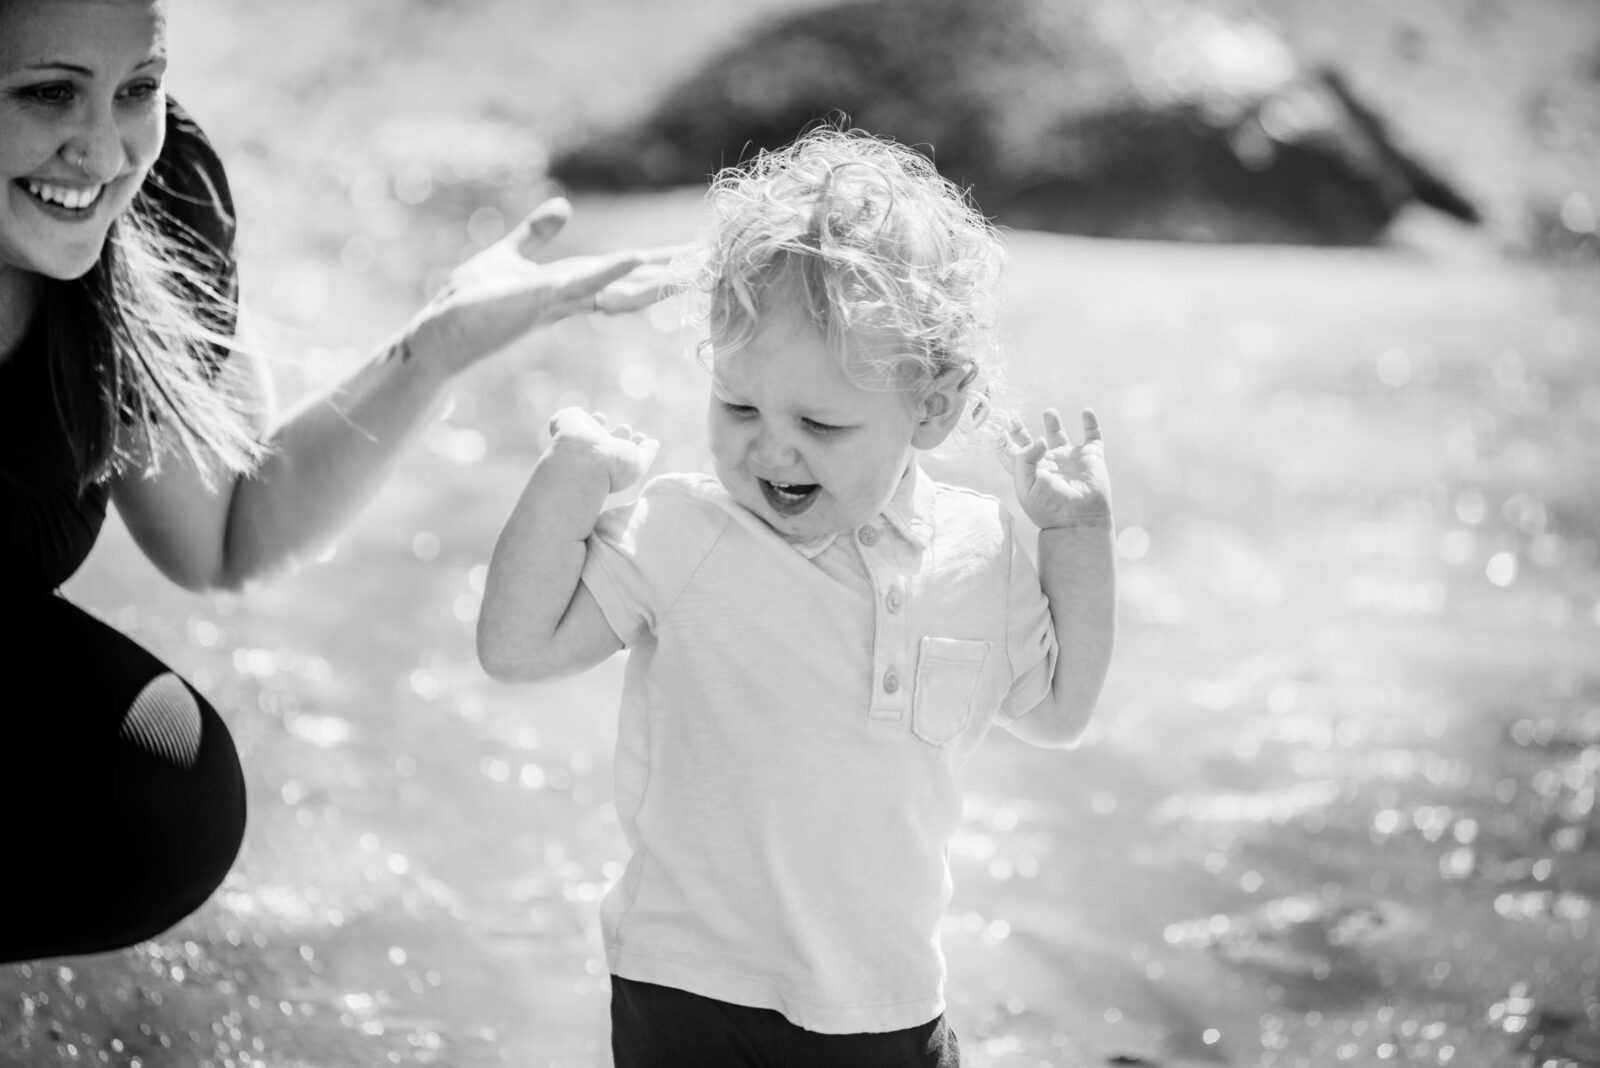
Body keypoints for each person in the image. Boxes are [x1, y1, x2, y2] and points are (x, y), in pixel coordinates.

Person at [0, 0, 671, 963]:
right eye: (48, 93)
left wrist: (434, 349)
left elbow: (227, 535)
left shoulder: (149, 214)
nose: (105, 152)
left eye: (135, 89)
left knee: (156, 797)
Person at [477, 126, 1117, 1067]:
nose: (771, 450)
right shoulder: (686, 533)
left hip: (888, 997)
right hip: (690, 984)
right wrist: (571, 479)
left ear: (932, 408)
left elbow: (1061, 713)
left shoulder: (980, 551)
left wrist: (1076, 539)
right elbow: (515, 649)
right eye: (738, 407)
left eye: (820, 422)